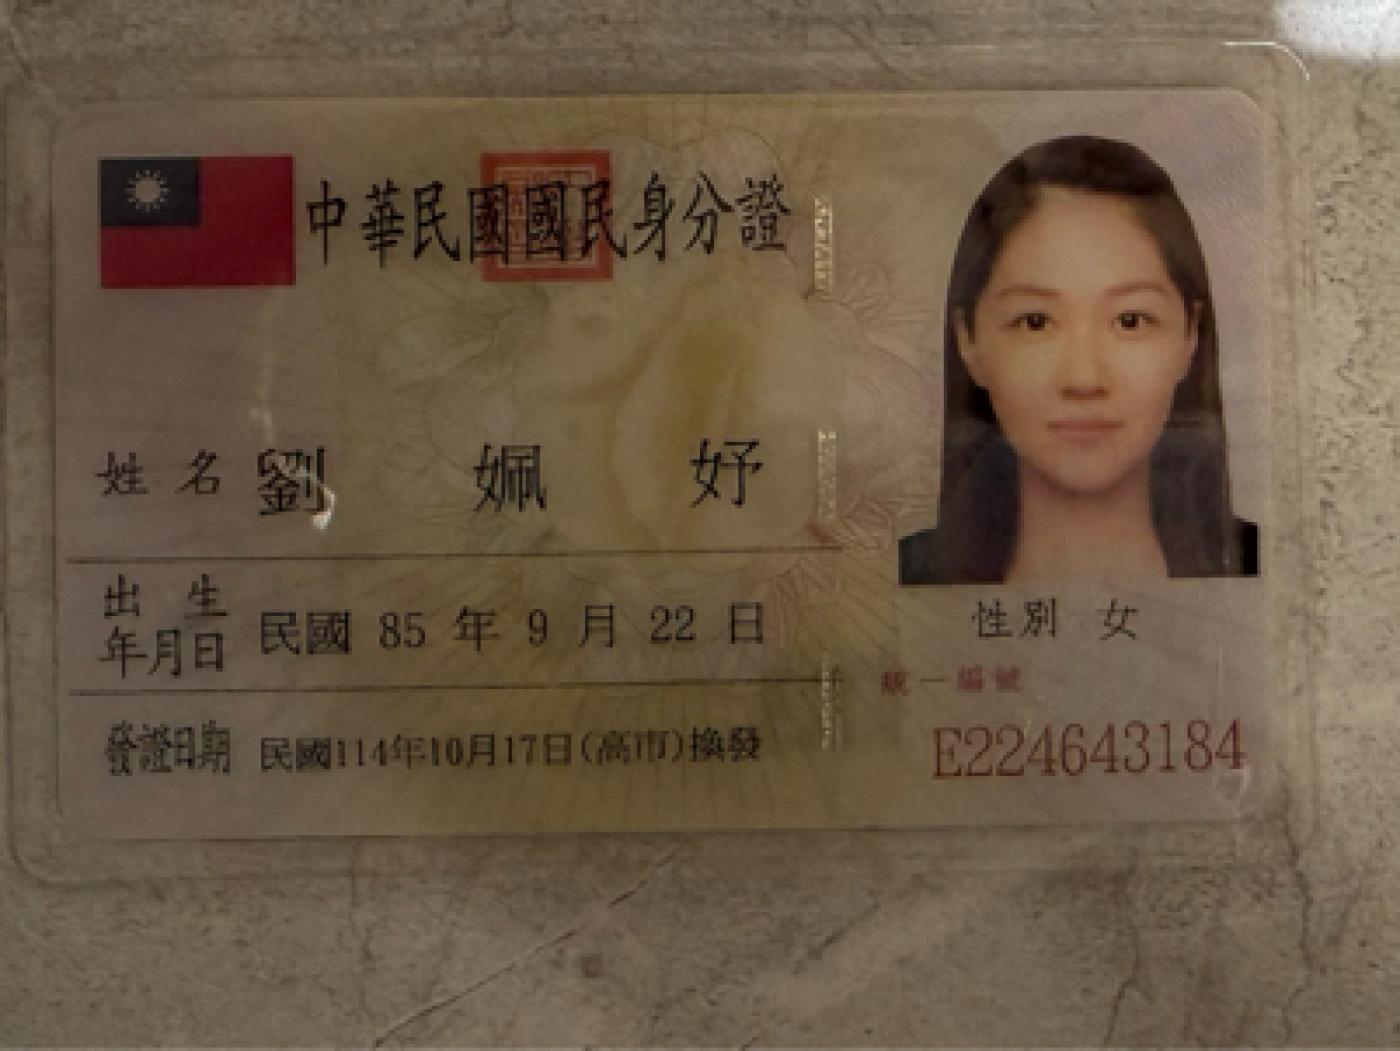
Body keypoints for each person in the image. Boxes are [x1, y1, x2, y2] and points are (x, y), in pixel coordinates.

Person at [898, 135, 1258, 585]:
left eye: (1130, 321)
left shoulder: (1267, 568)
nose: (1084, 379)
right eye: (1035, 322)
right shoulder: (896, 581)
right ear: (967, 340)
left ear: (1190, 335)